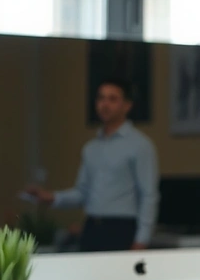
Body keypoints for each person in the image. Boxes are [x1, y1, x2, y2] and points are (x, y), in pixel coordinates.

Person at [27, 77, 159, 252]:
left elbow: (148, 195)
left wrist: (142, 239)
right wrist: (52, 198)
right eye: (101, 98)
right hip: (92, 227)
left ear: (127, 105)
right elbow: (83, 192)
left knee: (119, 279)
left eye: (112, 99)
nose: (105, 104)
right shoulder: (91, 148)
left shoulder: (140, 145)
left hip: (121, 228)